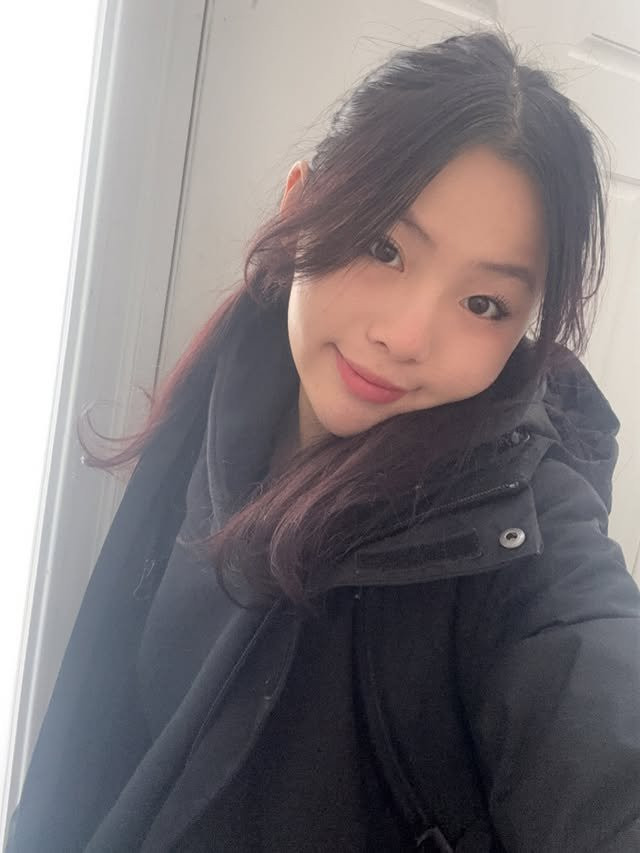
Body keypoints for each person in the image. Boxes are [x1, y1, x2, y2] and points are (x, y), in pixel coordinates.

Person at [7, 28, 640, 853]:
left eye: (483, 304)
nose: (406, 336)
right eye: (384, 247)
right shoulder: (233, 382)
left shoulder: (525, 530)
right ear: (300, 202)